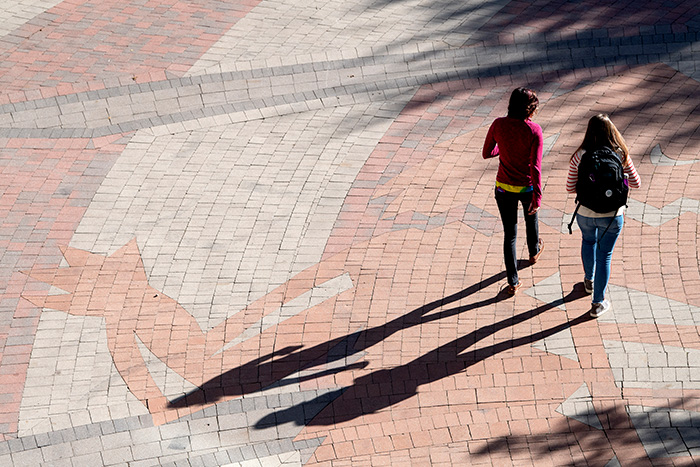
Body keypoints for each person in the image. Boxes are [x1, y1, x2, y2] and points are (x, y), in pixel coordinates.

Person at [566, 114, 641, 318]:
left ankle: (588, 280)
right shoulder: (620, 154)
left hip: (585, 213)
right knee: (605, 255)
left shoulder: (580, 155)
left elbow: (569, 187)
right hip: (613, 215)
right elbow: (636, 182)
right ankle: (597, 302)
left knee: (588, 241)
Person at [483, 87, 544, 295]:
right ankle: (534, 252)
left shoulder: (498, 124)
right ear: (530, 109)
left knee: (510, 235)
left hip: (503, 188)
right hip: (527, 188)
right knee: (531, 219)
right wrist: (538, 196)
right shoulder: (534, 130)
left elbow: (487, 152)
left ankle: (513, 282)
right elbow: (535, 167)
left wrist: (504, 148)